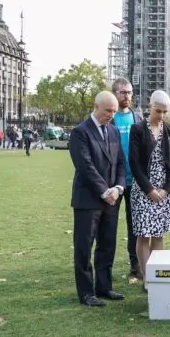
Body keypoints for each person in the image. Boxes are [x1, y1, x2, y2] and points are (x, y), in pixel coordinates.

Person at [68, 91, 126, 307]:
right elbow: (84, 166)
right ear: (96, 107)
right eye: (108, 110)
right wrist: (105, 191)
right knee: (84, 246)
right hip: (88, 200)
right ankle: (86, 293)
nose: (111, 115)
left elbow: (121, 162)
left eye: (114, 111)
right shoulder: (80, 132)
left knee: (107, 245)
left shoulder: (114, 131)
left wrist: (118, 188)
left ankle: (104, 287)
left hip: (112, 199)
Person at [129, 90, 170, 286]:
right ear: (151, 107)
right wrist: (149, 189)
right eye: (158, 111)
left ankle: (158, 276)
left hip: (164, 189)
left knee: (158, 234)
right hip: (143, 188)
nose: (162, 115)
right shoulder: (138, 129)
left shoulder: (169, 130)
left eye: (165, 112)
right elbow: (134, 162)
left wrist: (167, 189)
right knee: (143, 235)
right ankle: (147, 278)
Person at [111, 77, 144, 278]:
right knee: (109, 224)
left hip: (135, 180)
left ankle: (135, 264)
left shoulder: (137, 118)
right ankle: (105, 265)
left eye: (130, 92)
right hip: (113, 181)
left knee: (135, 225)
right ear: (114, 94)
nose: (127, 96)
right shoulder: (109, 117)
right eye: (123, 92)